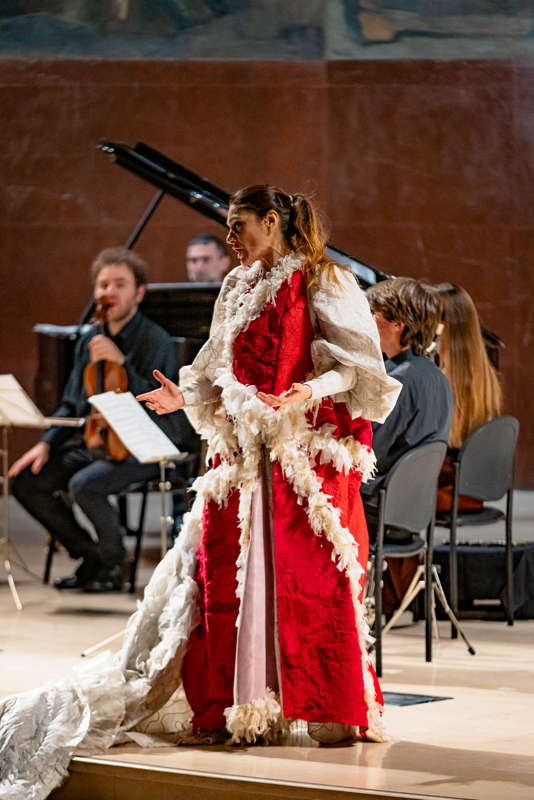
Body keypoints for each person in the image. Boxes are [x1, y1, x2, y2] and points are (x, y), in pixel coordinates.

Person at [0, 189, 401, 799]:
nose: (230, 238)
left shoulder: (324, 279)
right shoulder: (237, 284)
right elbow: (220, 370)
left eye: (238, 226)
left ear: (273, 221)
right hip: (240, 457)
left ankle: (311, 706)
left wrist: (306, 392)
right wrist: (183, 398)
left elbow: (358, 368)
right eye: (228, 226)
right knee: (228, 579)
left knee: (297, 580)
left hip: (294, 458)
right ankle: (242, 704)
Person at [9, 246, 189, 593]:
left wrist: (123, 366)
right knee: (27, 481)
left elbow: (165, 405)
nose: (109, 292)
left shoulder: (155, 339)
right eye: (103, 285)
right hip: (99, 440)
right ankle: (92, 556)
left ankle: (115, 565)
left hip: (149, 444)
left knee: (84, 485)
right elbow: (72, 402)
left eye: (119, 284)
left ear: (138, 293)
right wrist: (45, 445)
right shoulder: (89, 340)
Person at [362, 277, 452, 614]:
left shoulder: (398, 382)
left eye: (373, 315)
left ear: (397, 324)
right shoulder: (434, 376)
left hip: (381, 514)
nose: (367, 321)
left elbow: (368, 454)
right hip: (413, 511)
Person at [434, 282, 502, 512]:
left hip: (441, 487)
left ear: (442, 325)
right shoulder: (488, 373)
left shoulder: (439, 377)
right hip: (472, 485)